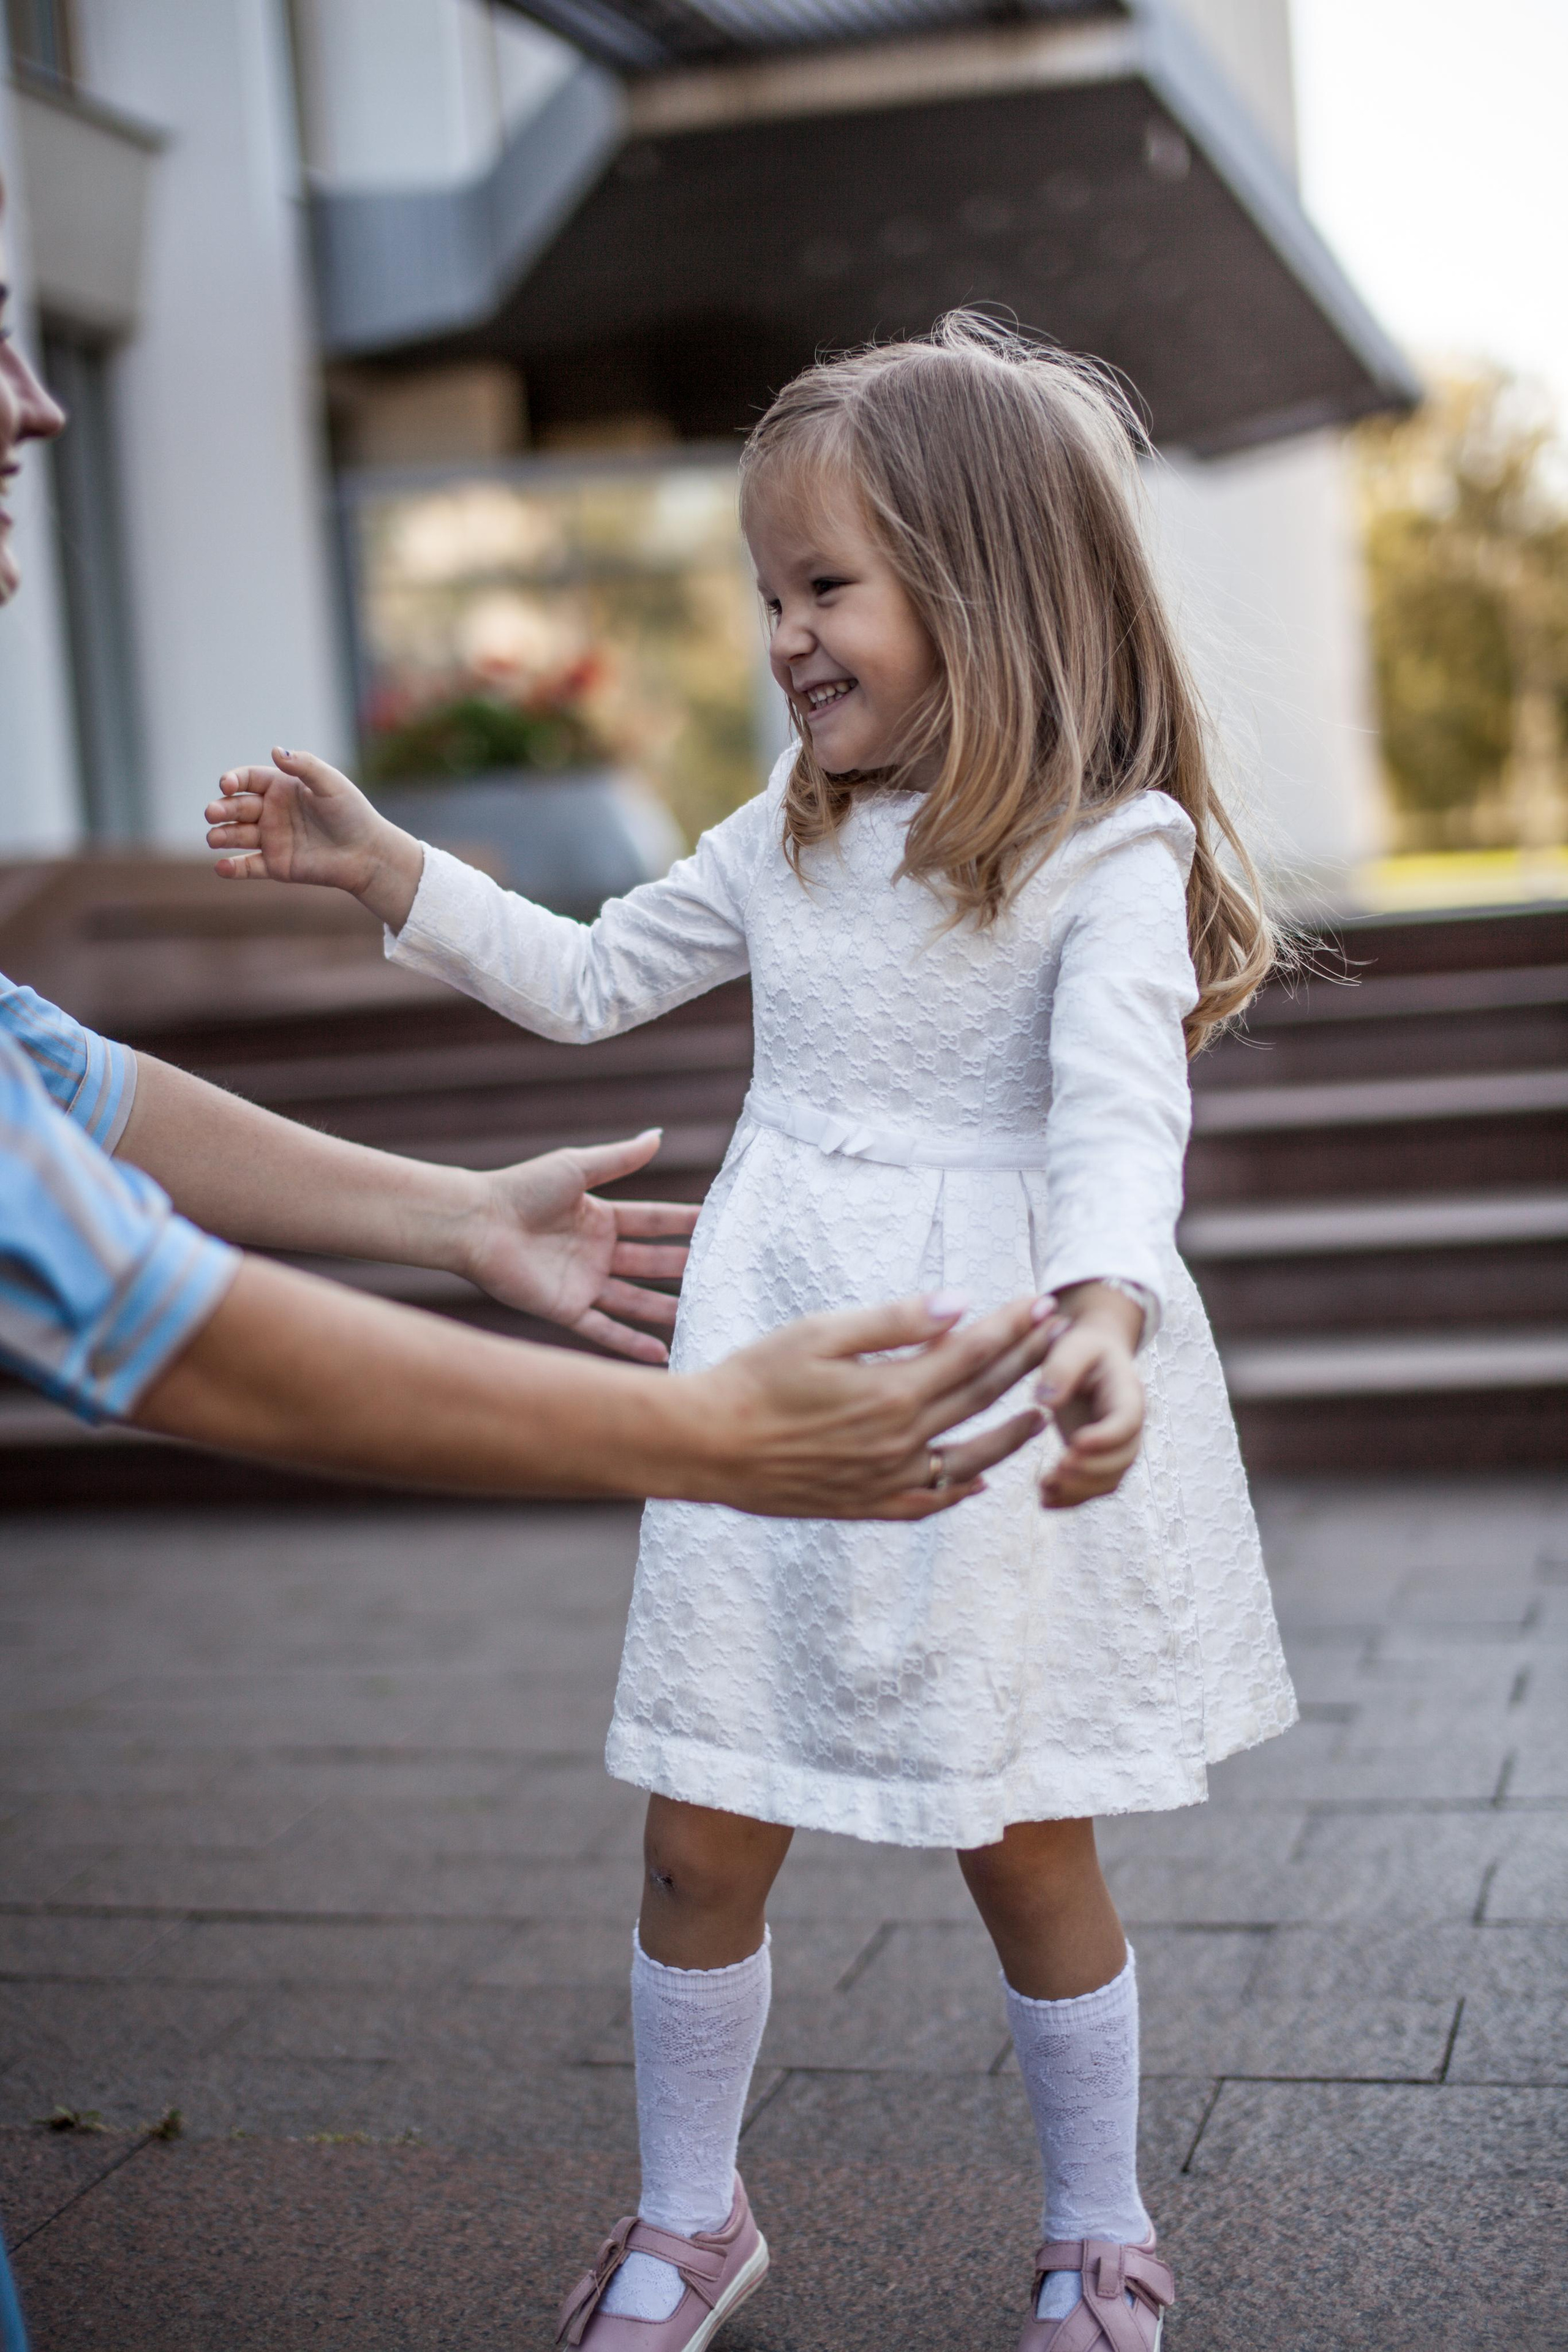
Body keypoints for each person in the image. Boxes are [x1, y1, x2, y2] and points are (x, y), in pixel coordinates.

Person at [206, 316, 1299, 2351]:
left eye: (827, 588)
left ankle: (1097, 2225)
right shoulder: (786, 828)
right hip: (773, 1378)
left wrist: (1107, 1316)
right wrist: (388, 872)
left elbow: (1115, 1117)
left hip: (990, 1394)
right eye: (768, 592)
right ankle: (691, 2215)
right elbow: (591, 972)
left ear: (986, 588)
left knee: (1020, 1828)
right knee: (703, 1818)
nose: (786, 636)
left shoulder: (1106, 851)